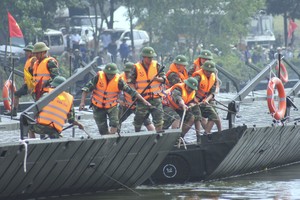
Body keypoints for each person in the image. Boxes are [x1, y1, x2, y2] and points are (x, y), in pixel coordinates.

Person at [79, 63, 151, 135]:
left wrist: (144, 101)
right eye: (109, 74)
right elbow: (86, 89)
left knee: (115, 123)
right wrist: (82, 102)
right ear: (105, 73)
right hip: (98, 107)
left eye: (112, 74)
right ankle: (108, 139)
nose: (110, 76)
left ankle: (113, 136)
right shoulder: (98, 78)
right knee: (102, 130)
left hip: (111, 106)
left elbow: (132, 92)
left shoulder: (119, 81)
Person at [131, 46, 166, 132]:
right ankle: (137, 135)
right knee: (138, 120)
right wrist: (135, 94)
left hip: (156, 98)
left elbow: (164, 79)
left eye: (152, 57)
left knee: (159, 119)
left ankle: (159, 135)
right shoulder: (135, 67)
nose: (150, 59)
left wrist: (158, 79)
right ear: (144, 57)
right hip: (142, 99)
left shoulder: (157, 66)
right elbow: (130, 83)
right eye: (149, 57)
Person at [118, 62, 155, 132]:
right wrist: (120, 100)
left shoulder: (140, 78)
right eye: (126, 72)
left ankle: (156, 136)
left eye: (129, 72)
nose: (127, 74)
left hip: (139, 104)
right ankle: (114, 137)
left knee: (146, 122)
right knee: (117, 121)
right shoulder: (121, 78)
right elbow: (117, 92)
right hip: (126, 104)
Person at [192, 61, 222, 139]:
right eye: (207, 71)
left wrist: (207, 100)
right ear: (203, 70)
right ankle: (199, 137)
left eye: (210, 71)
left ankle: (206, 134)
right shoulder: (198, 77)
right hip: (194, 100)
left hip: (204, 101)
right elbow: (191, 89)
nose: (208, 72)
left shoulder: (213, 78)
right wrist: (195, 99)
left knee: (214, 116)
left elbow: (212, 93)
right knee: (197, 117)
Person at [4, 44, 36, 116]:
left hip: (31, 84)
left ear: (32, 52)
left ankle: (15, 111)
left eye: (28, 51)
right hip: (28, 84)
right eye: (26, 51)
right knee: (17, 94)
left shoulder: (33, 60)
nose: (26, 53)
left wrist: (31, 85)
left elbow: (33, 72)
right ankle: (14, 111)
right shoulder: (28, 60)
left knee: (36, 98)